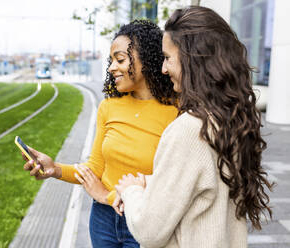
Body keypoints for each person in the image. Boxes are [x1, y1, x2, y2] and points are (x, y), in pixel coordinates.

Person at [113, 6, 274, 248]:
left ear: (193, 59)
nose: (163, 69)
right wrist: (153, 182)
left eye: (167, 58)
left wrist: (131, 191)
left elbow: (149, 230)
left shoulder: (189, 129)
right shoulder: (230, 119)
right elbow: (206, 186)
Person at [22, 20, 178, 248]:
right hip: (103, 220)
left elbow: (171, 184)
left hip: (146, 223)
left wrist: (109, 196)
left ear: (147, 58)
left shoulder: (177, 112)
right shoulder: (109, 107)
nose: (112, 67)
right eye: (111, 61)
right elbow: (95, 169)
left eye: (120, 59)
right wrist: (55, 169)